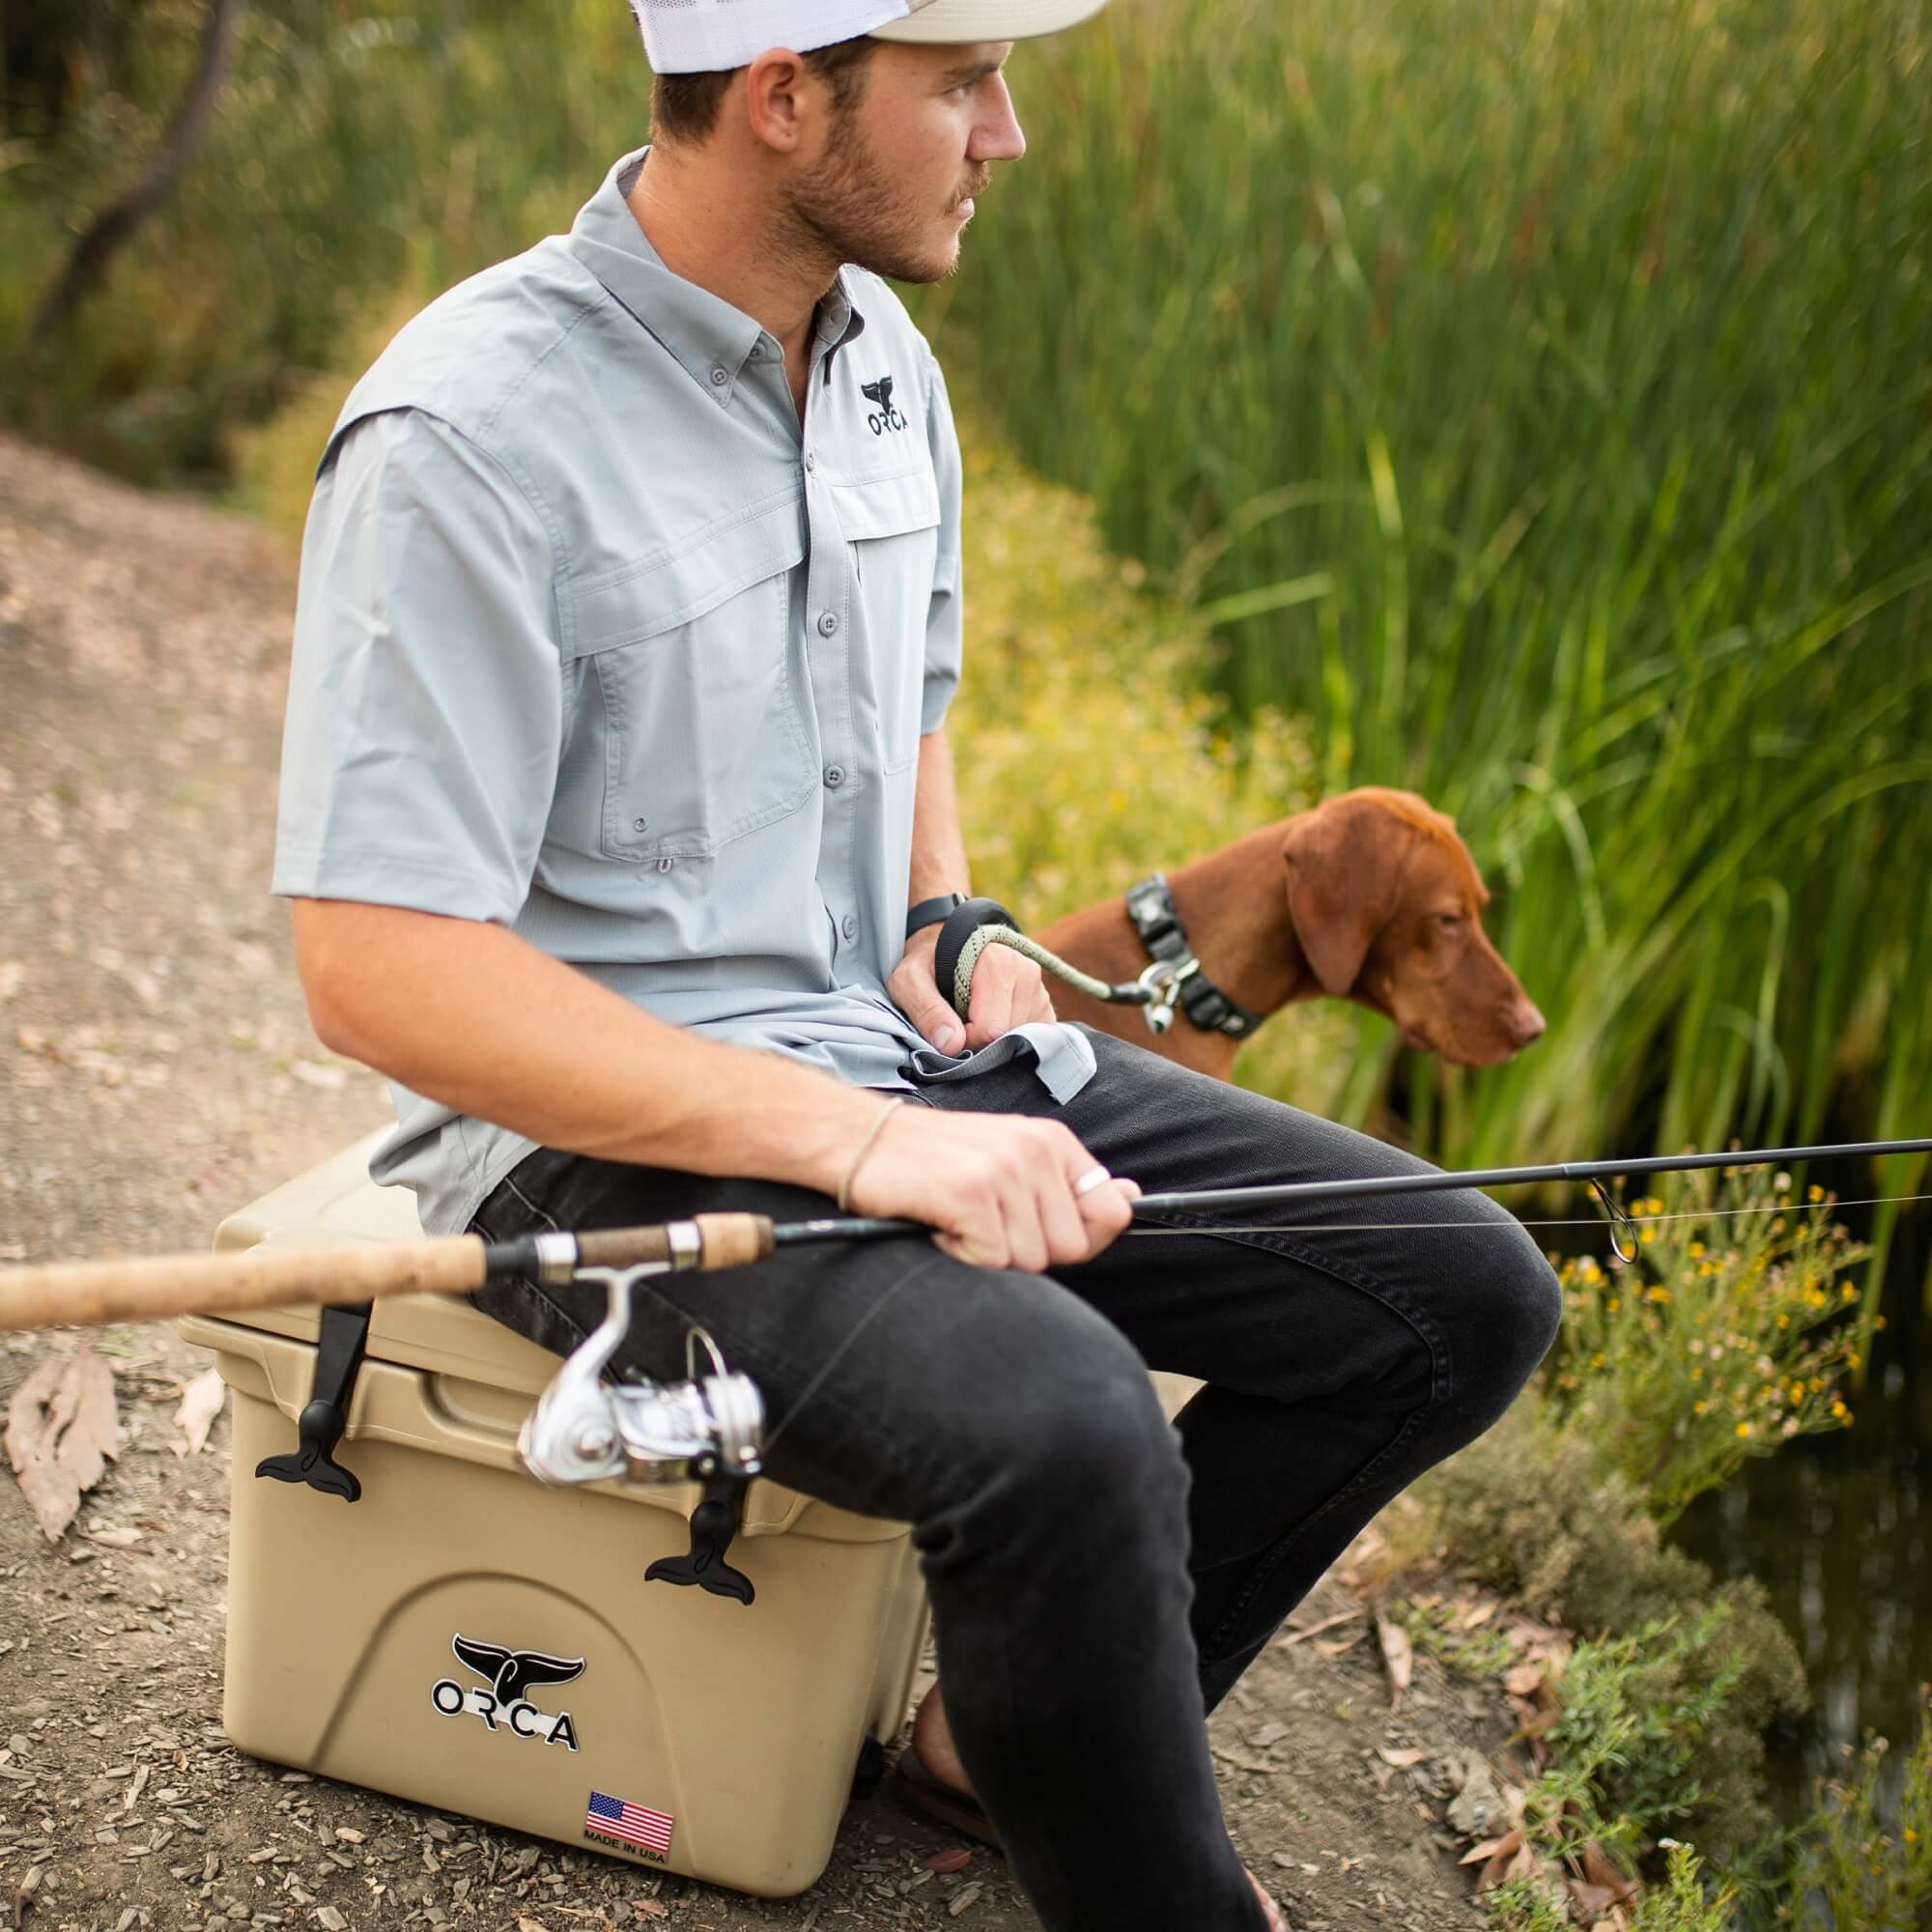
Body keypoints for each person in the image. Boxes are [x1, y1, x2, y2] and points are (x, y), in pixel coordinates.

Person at [272, 2, 1563, 1925]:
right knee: (1065, 1424)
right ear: (783, 98)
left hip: (889, 1058)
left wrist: (948, 917)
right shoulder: (466, 428)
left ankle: (997, 1742)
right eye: (959, 86)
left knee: (1461, 1295)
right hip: (587, 1144)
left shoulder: (884, 364)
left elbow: (908, 712)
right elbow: (373, 963)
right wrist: (858, 1147)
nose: (1010, 134)